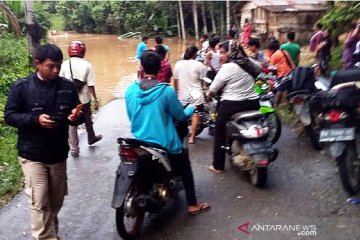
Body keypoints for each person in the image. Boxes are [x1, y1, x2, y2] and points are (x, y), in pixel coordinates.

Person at [4, 44, 83, 240]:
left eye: (58, 66)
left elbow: (79, 114)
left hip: (58, 154)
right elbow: (10, 116)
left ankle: (51, 234)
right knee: (39, 202)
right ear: (37, 64)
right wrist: (35, 120)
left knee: (55, 202)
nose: (55, 70)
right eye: (50, 66)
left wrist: (76, 117)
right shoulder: (21, 87)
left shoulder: (67, 87)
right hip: (32, 154)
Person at [125, 51, 210, 215]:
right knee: (184, 165)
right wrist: (192, 108)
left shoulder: (130, 90)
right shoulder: (166, 91)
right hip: (163, 144)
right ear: (160, 69)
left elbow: (131, 115)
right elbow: (180, 115)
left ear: (141, 67)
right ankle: (192, 205)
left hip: (139, 141)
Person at [207, 41, 260, 173]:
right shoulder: (250, 63)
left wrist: (208, 93)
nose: (220, 56)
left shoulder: (228, 67)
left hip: (232, 105)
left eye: (223, 52)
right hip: (254, 103)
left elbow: (213, 88)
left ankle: (217, 165)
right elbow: (259, 71)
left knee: (219, 131)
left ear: (231, 52)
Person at [59, 41, 102, 157]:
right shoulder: (87, 65)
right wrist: (96, 100)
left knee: (72, 123)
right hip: (83, 98)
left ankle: (74, 149)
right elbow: (91, 85)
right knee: (87, 118)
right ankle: (91, 137)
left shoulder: (64, 65)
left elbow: (60, 83)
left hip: (69, 99)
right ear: (82, 51)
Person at [174, 46, 207, 144]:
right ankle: (192, 138)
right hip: (196, 93)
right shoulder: (199, 65)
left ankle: (180, 134)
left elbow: (175, 80)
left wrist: (175, 92)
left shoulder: (178, 64)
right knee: (195, 114)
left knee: (181, 114)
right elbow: (201, 82)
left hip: (182, 93)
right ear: (195, 54)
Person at [268, 40, 295, 106]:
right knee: (289, 90)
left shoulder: (274, 55)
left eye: (269, 50)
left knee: (279, 90)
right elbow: (292, 63)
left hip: (282, 75)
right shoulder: (284, 52)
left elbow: (271, 69)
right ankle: (289, 104)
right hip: (290, 73)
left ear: (272, 49)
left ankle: (276, 105)